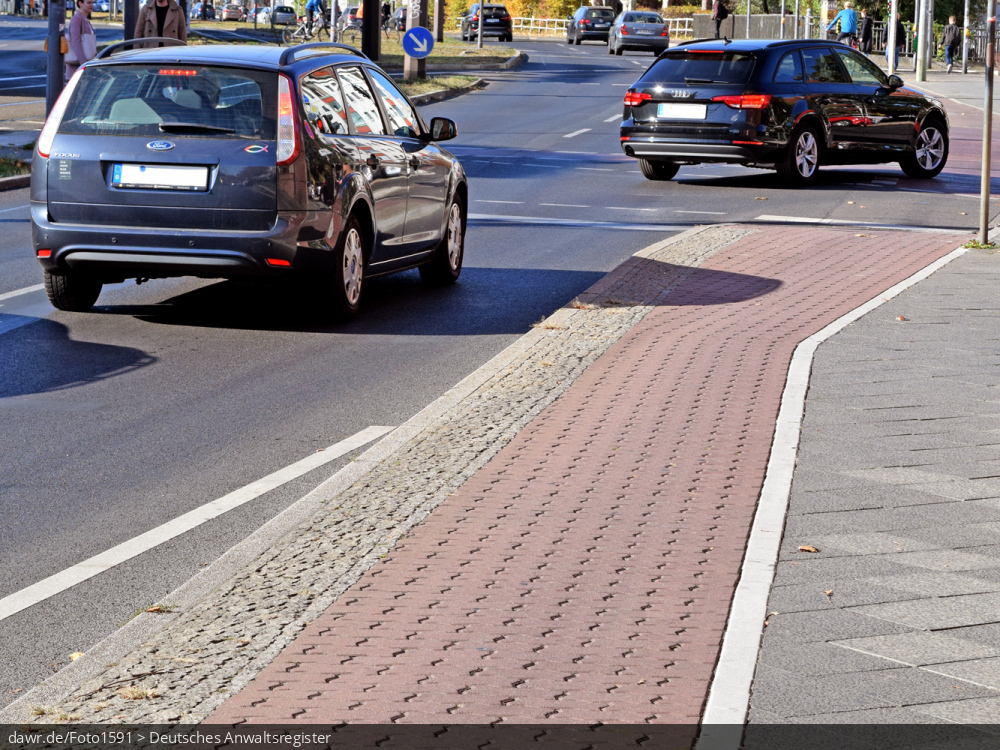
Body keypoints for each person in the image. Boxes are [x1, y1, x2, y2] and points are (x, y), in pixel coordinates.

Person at [65, 0, 96, 81]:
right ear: (80, 3)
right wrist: (84, 64)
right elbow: (75, 42)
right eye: (89, 3)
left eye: (92, 3)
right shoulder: (77, 19)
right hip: (77, 70)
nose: (91, 5)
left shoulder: (85, 20)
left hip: (84, 67)